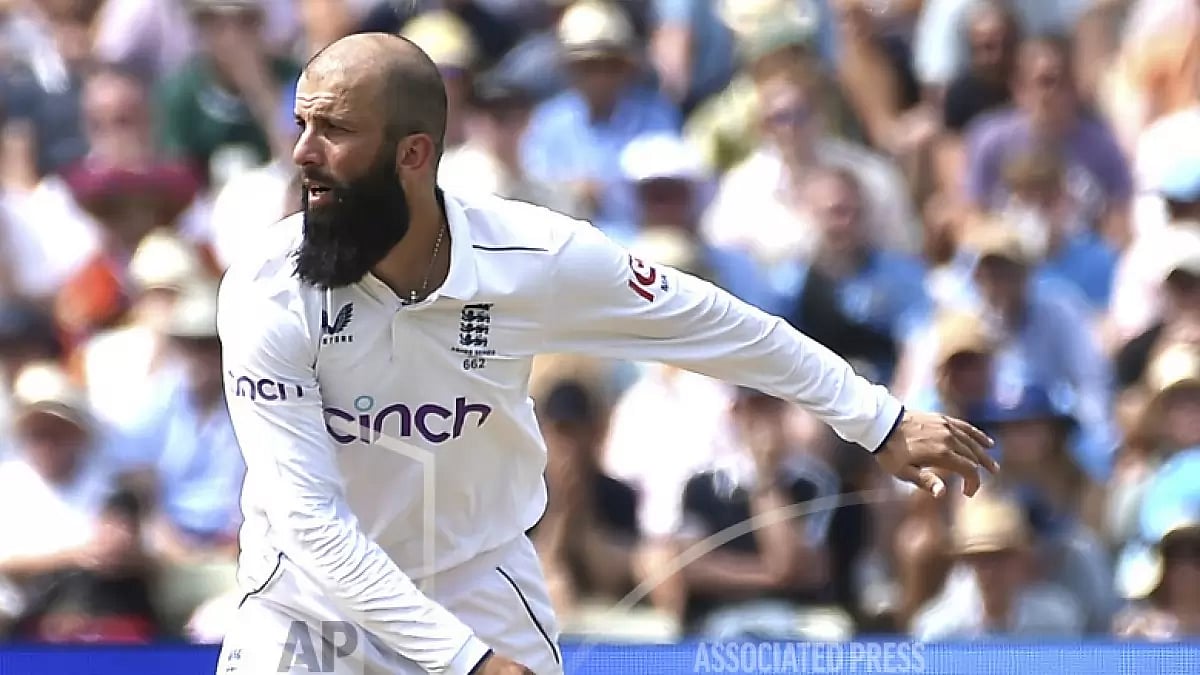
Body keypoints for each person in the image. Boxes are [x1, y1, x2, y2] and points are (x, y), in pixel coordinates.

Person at [215, 32, 997, 675]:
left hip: (475, 582)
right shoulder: (266, 287)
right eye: (301, 125)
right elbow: (312, 524)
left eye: (334, 130)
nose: (302, 154)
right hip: (307, 610)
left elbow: (720, 325)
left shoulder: (533, 255)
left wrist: (878, 418)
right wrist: (469, 663)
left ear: (414, 153)